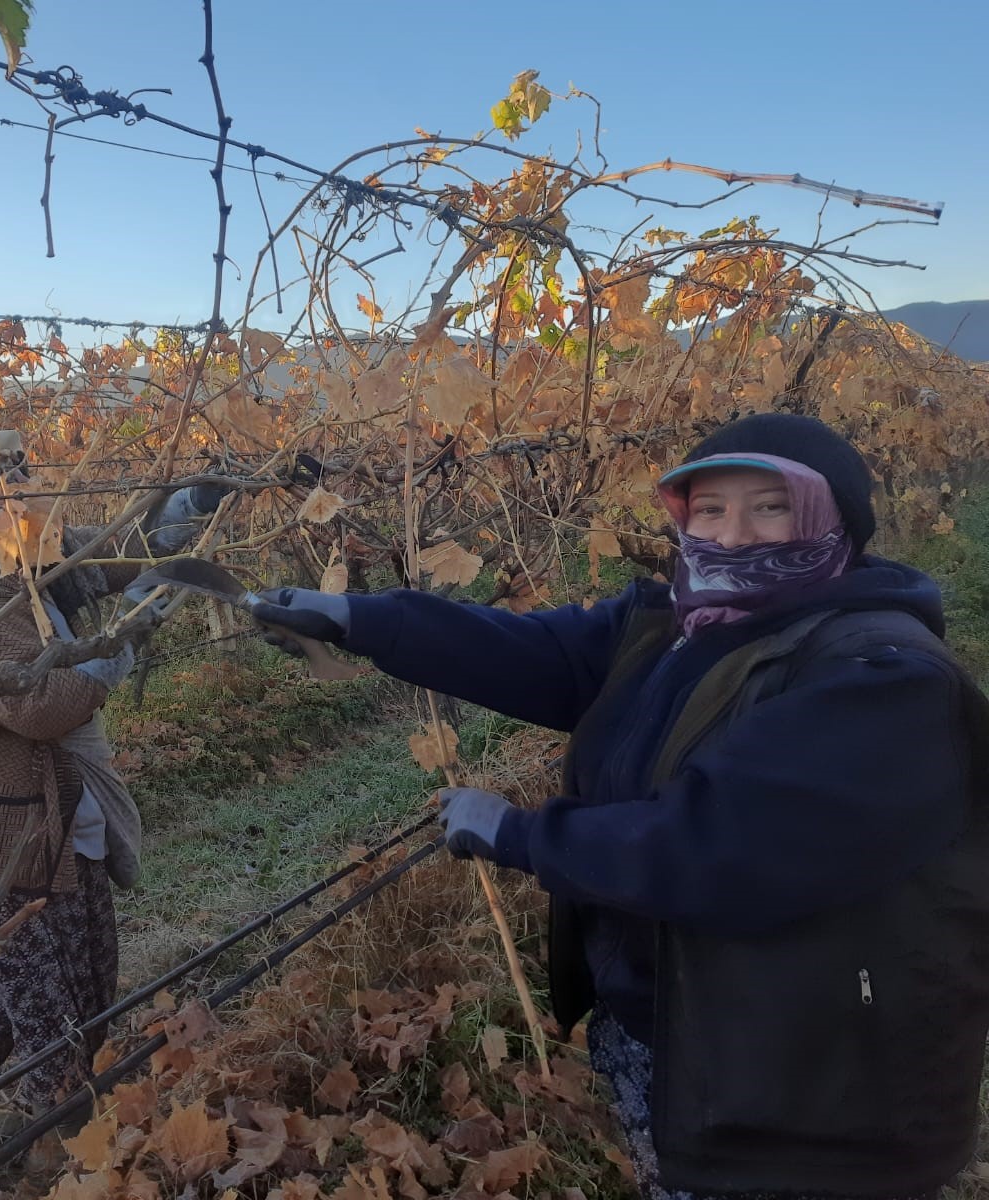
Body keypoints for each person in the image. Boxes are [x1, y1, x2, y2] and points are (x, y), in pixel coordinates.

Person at [252, 413, 989, 1199]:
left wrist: (519, 833)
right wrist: (361, 620)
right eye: (710, 508)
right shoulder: (685, 622)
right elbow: (543, 654)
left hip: (805, 1090)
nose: (733, 535)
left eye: (770, 507)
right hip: (677, 1031)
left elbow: (713, 848)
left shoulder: (883, 678)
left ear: (834, 520)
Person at [0, 428, 231, 1143]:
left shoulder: (23, 555)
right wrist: (128, 633)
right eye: (15, 479)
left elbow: (123, 553)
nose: (33, 489)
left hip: (49, 820)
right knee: (55, 1002)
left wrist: (195, 498)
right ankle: (65, 1147)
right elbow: (44, 706)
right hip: (11, 836)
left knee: (3, 984)